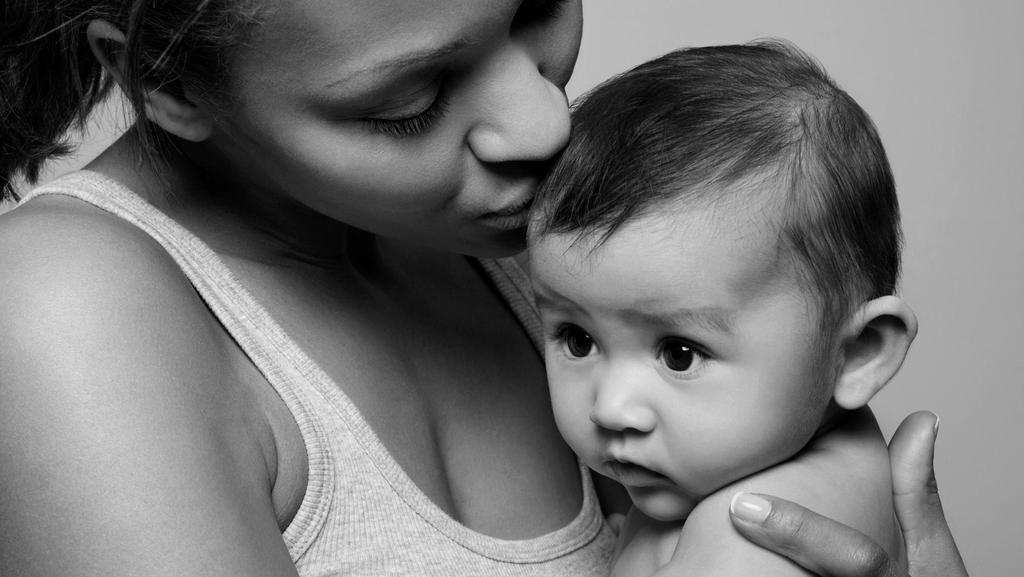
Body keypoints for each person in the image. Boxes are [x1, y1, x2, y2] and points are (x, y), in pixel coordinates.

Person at [0, 2, 967, 577]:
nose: (544, 123)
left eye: (537, 7)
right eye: (408, 103)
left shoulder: (564, 242)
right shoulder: (60, 313)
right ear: (168, 86)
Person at [527, 40, 942, 577]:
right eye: (577, 340)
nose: (610, 408)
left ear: (858, 353)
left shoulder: (752, 533)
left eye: (680, 354)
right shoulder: (743, 470)